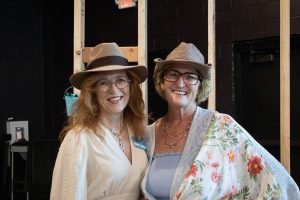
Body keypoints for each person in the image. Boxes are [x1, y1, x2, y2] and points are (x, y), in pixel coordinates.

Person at [141, 42, 300, 199]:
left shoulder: (221, 126)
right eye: (173, 74)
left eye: (190, 76)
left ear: (200, 87)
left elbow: (279, 183)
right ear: (162, 81)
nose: (180, 83)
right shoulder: (148, 134)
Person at [50, 42, 148, 200]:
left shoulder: (138, 130)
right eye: (104, 82)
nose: (114, 89)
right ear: (92, 91)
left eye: (120, 80)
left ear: (130, 86)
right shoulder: (79, 137)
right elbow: (68, 194)